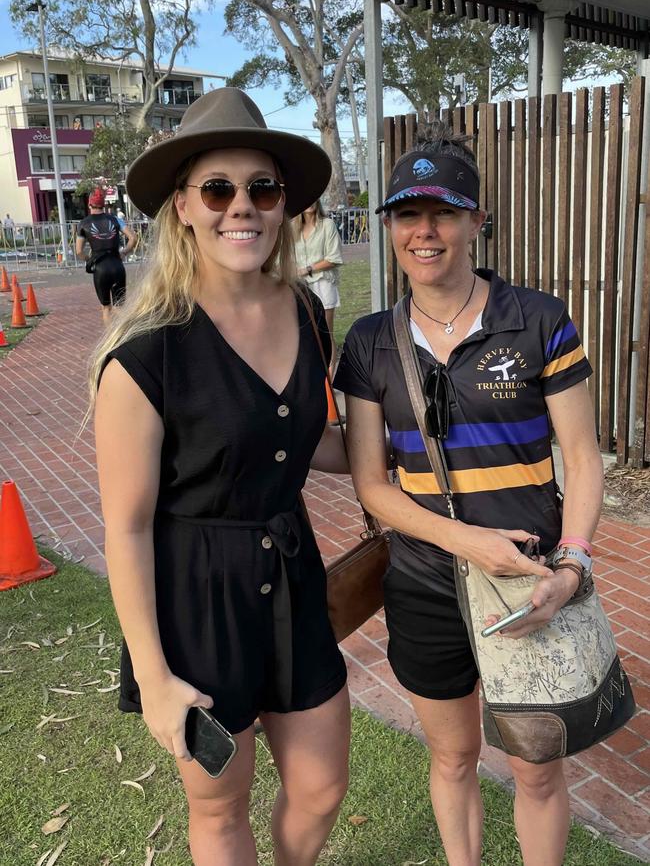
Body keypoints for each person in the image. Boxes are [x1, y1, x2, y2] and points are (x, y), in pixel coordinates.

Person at [90, 87, 350, 866]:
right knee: (220, 809)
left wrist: (399, 447)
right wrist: (154, 674)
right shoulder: (144, 354)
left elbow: (303, 441)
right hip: (195, 598)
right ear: (183, 206)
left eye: (262, 188)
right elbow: (126, 527)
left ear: (283, 206)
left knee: (321, 785)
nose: (244, 206)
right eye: (219, 188)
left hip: (293, 575)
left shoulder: (305, 309)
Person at [334, 125, 603, 866]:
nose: (425, 231)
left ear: (477, 221)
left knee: (537, 765)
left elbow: (581, 460)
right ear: (388, 224)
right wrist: (467, 543)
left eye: (444, 212)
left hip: (534, 582)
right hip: (423, 583)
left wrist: (572, 566)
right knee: (453, 758)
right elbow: (370, 483)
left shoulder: (540, 321)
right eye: (406, 213)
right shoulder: (368, 342)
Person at [293, 200, 344, 373]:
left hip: (323, 284)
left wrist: (307, 269)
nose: (310, 202)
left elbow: (334, 258)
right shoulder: (294, 229)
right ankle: (316, 376)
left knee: (326, 332)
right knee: (306, 333)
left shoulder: (327, 225)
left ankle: (329, 378)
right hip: (301, 287)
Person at [76, 189, 136, 325]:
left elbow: (79, 251)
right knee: (120, 307)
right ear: (104, 205)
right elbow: (133, 237)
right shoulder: (115, 219)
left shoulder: (83, 224)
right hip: (117, 265)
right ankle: (130, 326)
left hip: (100, 268)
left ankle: (112, 339)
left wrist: (89, 259)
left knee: (106, 307)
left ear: (89, 205)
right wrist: (124, 252)